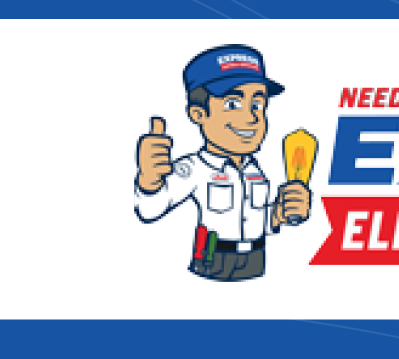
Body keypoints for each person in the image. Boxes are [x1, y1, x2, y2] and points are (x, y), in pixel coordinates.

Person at [134, 44, 315, 281]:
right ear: (198, 114)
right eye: (232, 104)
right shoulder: (194, 169)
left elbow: (257, 217)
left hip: (257, 262)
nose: (251, 118)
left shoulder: (255, 170)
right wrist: (148, 179)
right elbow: (149, 210)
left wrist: (281, 214)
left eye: (258, 105)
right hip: (213, 262)